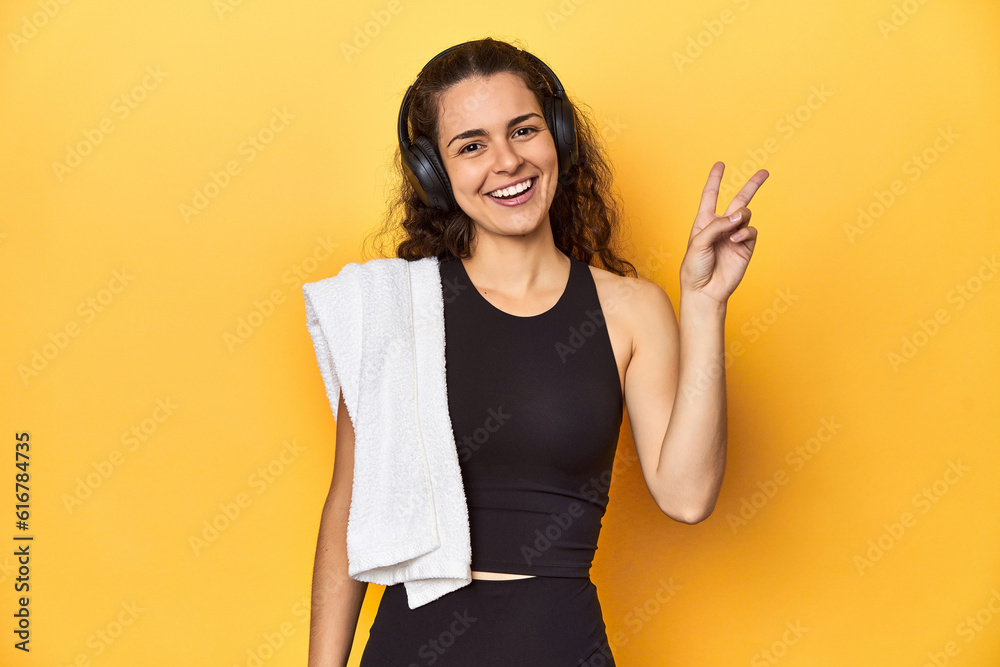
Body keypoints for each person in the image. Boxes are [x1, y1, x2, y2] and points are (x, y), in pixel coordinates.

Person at [307, 37, 768, 667]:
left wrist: (705, 303)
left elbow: (686, 496)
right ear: (434, 172)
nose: (506, 162)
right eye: (471, 145)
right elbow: (347, 508)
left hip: (559, 644)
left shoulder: (630, 309)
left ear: (556, 137)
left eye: (523, 131)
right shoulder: (394, 308)